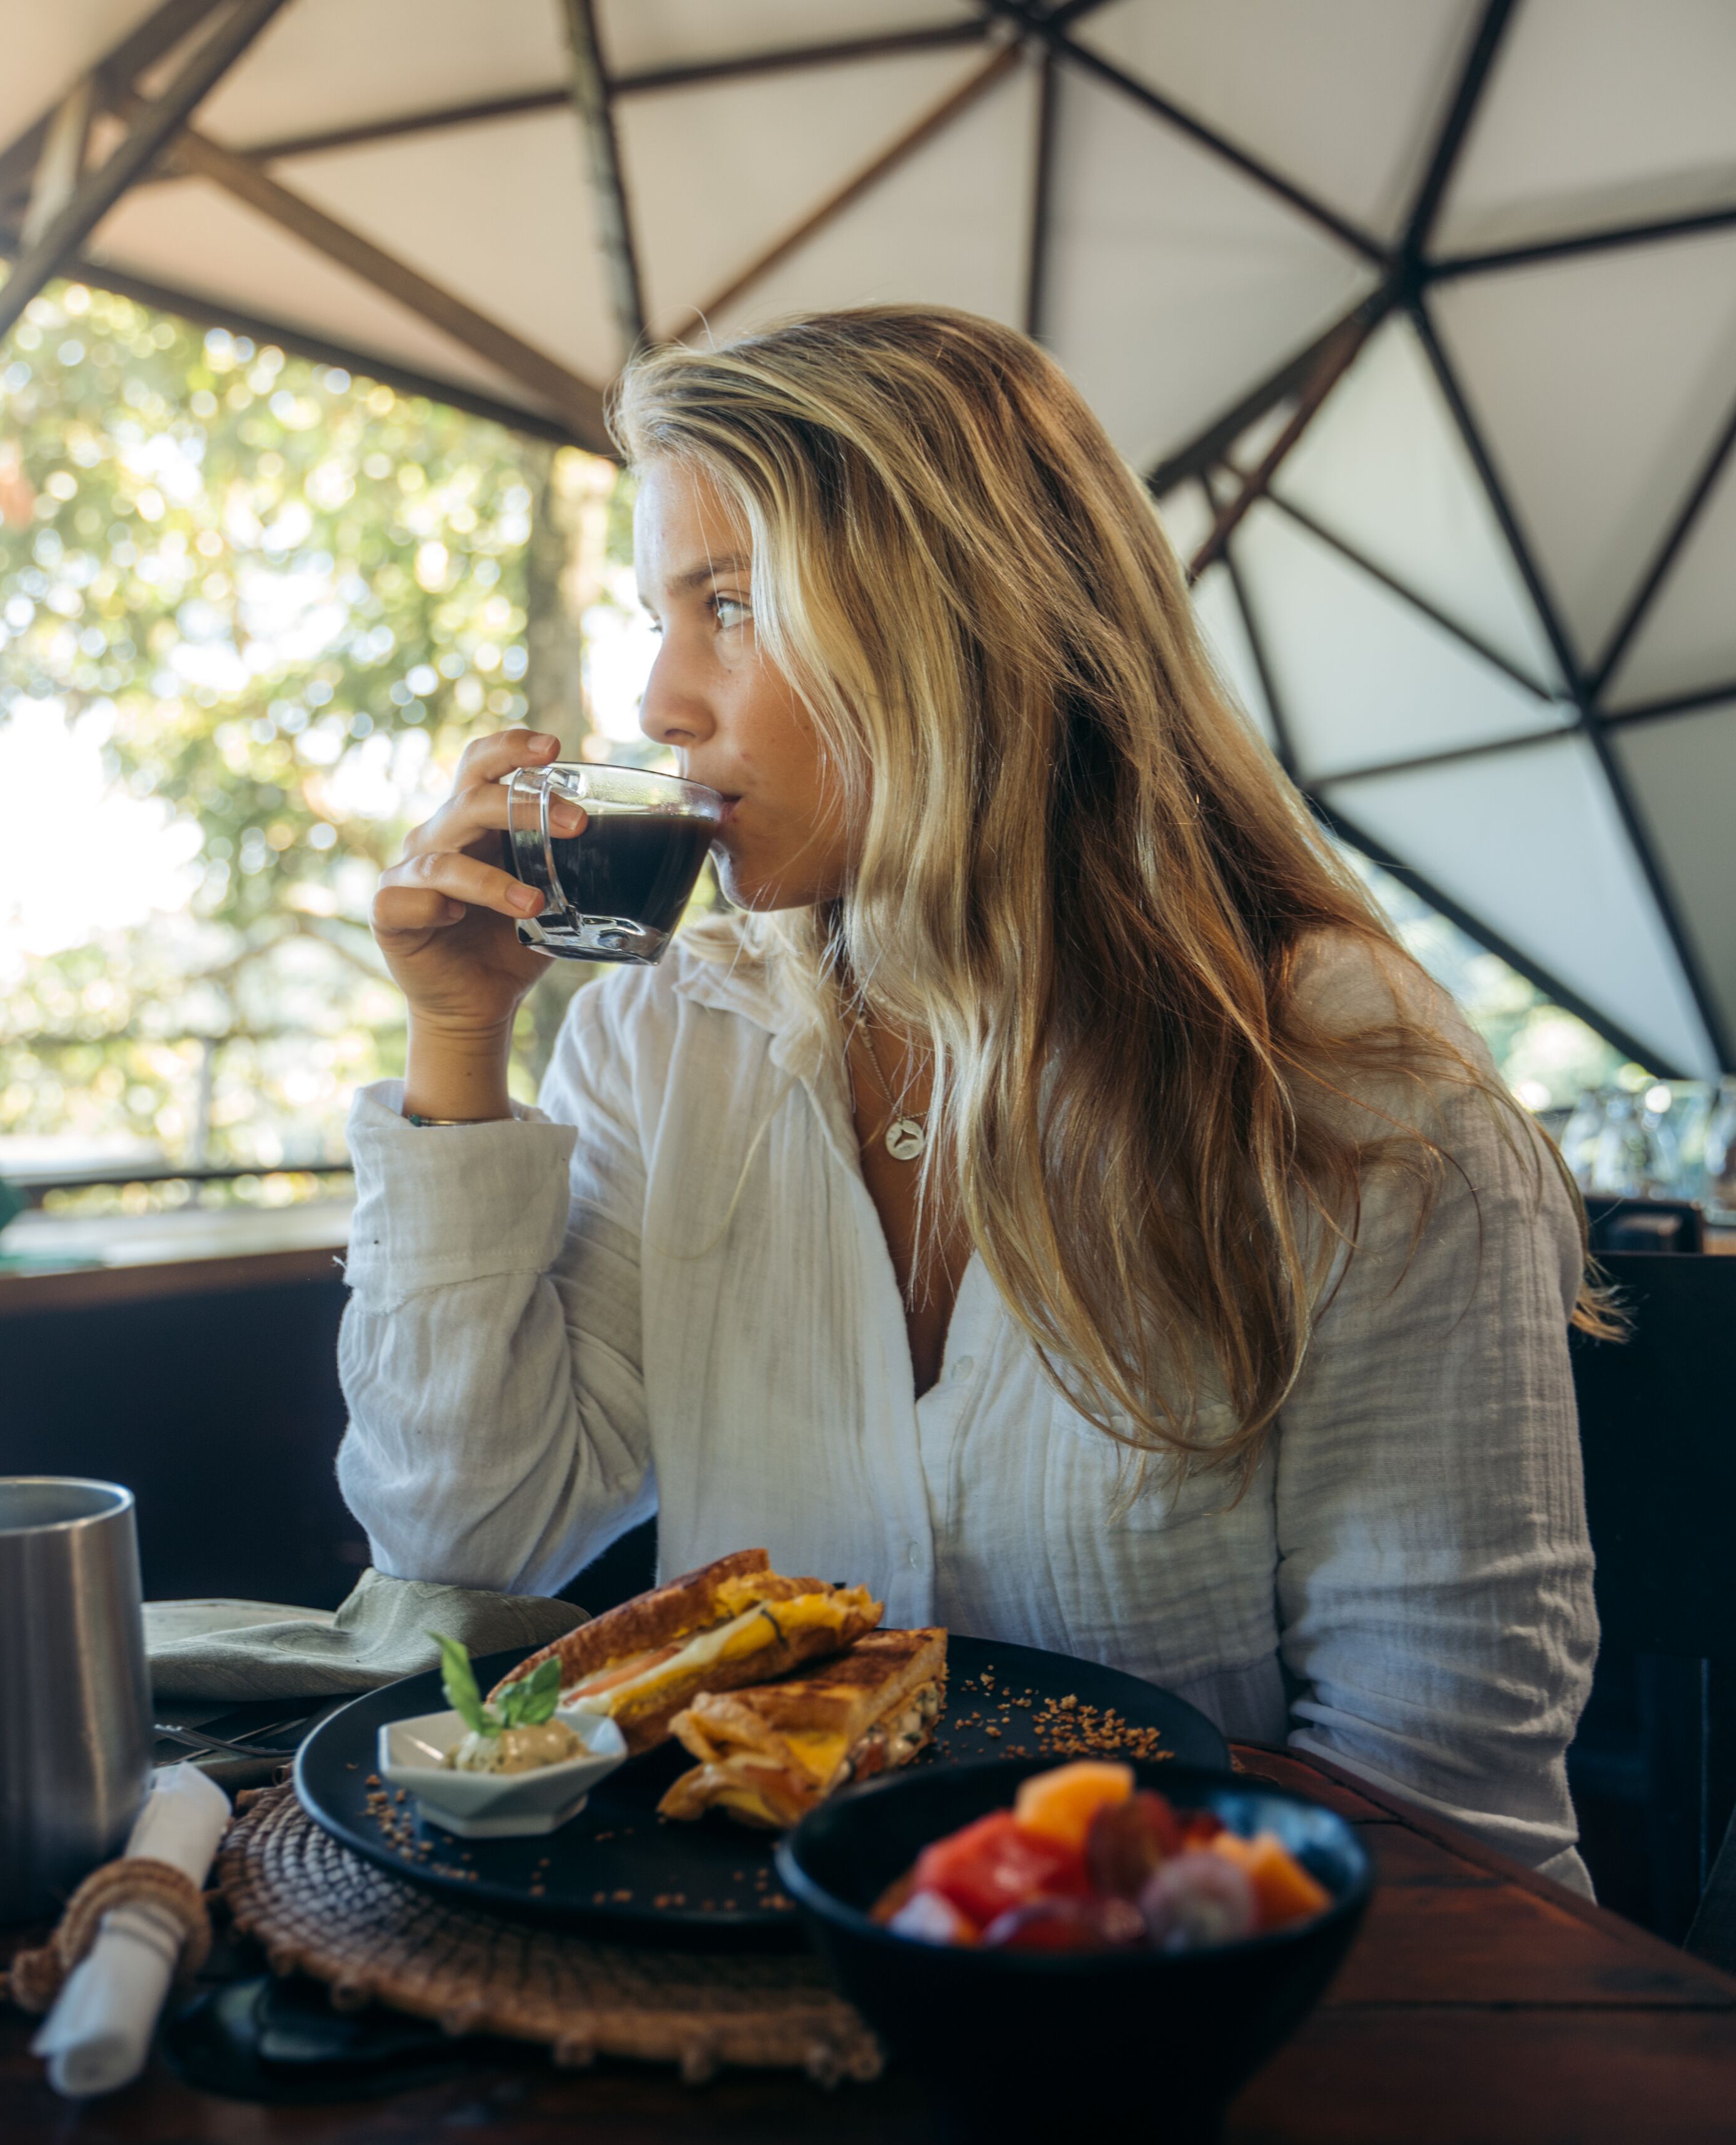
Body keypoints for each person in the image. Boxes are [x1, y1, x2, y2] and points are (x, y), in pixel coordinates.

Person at [341, 306, 1599, 1888]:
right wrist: (458, 1041)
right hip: (723, 1993)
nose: (662, 702)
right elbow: (467, 1531)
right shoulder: (669, 1043)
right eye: (662, 618)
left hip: (1173, 2027)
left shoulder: (1356, 1108)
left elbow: (1444, 1818)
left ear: (964, 622)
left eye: (729, 604)